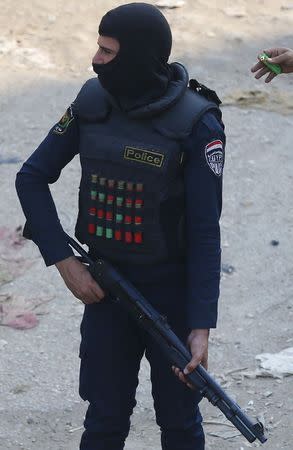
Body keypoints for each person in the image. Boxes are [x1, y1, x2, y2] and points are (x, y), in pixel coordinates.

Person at [15, 3, 225, 449]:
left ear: (138, 58)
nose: (96, 59)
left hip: (172, 296)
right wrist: (64, 260)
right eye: (98, 48)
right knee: (105, 421)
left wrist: (201, 325)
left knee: (180, 424)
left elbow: (207, 230)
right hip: (106, 291)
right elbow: (31, 177)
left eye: (107, 52)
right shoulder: (91, 101)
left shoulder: (197, 121)